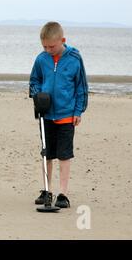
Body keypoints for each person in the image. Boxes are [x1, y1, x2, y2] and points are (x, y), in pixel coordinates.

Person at [29, 21, 88, 208]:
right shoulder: (41, 59)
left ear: (62, 40)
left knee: (64, 155)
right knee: (47, 154)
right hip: (46, 115)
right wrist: (38, 95)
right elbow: (33, 81)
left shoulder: (74, 59)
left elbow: (81, 87)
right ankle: (47, 190)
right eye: (44, 46)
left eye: (51, 46)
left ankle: (63, 194)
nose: (48, 50)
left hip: (66, 115)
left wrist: (79, 110)